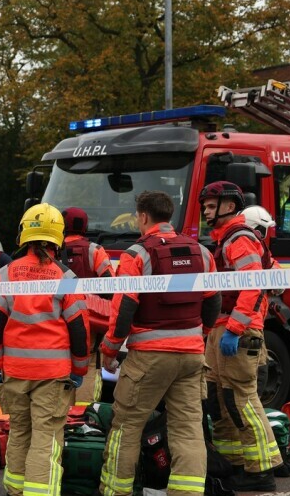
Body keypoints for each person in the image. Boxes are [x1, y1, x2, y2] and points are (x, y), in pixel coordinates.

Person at [97, 191, 222, 496]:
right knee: (188, 429)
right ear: (169, 215)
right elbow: (213, 300)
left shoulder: (137, 254)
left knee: (127, 426)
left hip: (149, 358)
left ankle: (115, 491)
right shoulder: (201, 252)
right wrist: (201, 334)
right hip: (191, 356)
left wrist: (109, 350)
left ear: (143, 216)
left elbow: (124, 307)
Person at [0, 203, 89, 496]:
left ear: (24, 235)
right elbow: (79, 328)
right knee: (46, 437)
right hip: (52, 376)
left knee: (19, 431)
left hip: (15, 372)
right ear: (57, 238)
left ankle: (15, 490)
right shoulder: (64, 277)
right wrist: (79, 369)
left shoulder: (6, 273)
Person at [199, 182, 282, 491]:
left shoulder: (239, 239)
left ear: (230, 206)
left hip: (238, 329)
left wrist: (234, 329)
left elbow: (252, 286)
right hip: (222, 326)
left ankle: (262, 470)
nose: (206, 211)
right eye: (205, 206)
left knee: (241, 399)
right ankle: (234, 463)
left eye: (211, 206)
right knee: (220, 400)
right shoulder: (226, 240)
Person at [61, 207, 115, 404]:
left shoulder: (52, 250)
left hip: (58, 321)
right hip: (88, 322)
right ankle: (83, 414)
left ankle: (63, 413)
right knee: (90, 363)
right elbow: (110, 285)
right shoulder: (94, 250)